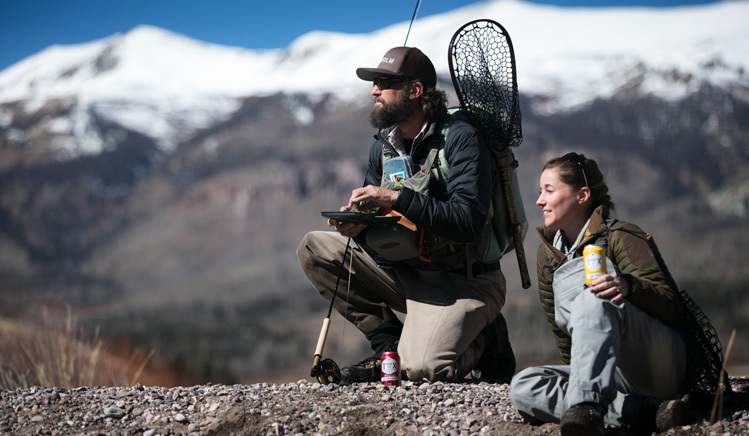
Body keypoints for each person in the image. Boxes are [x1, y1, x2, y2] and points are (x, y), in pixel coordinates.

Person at [297, 46, 516, 384]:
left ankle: (486, 337)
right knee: (314, 248)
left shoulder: (462, 139)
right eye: (374, 83)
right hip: (406, 271)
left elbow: (467, 222)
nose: (374, 91)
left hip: (465, 281)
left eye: (383, 82)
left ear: (415, 91)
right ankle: (388, 346)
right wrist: (359, 226)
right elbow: (382, 215)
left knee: (425, 370)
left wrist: (396, 197)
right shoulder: (382, 147)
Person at [509, 152, 692, 435]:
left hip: (658, 361)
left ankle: (585, 409)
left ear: (582, 195)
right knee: (523, 387)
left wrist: (628, 286)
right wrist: (582, 376)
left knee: (593, 298)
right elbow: (563, 335)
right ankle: (644, 411)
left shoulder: (621, 235)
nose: (539, 201)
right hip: (608, 373)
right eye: (539, 191)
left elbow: (672, 306)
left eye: (549, 191)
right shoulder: (547, 258)